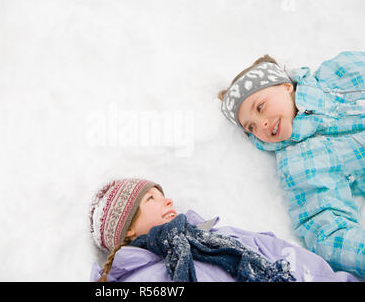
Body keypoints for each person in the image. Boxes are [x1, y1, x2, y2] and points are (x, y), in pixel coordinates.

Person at [218, 51, 365, 279]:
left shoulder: (340, 70)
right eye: (251, 127)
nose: (262, 124)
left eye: (260, 107)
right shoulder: (300, 161)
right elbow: (326, 230)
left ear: (286, 86)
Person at [89, 178, 357, 282]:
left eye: (163, 194)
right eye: (151, 199)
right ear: (127, 231)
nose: (168, 201)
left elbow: (298, 264)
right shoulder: (138, 278)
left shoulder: (222, 237)